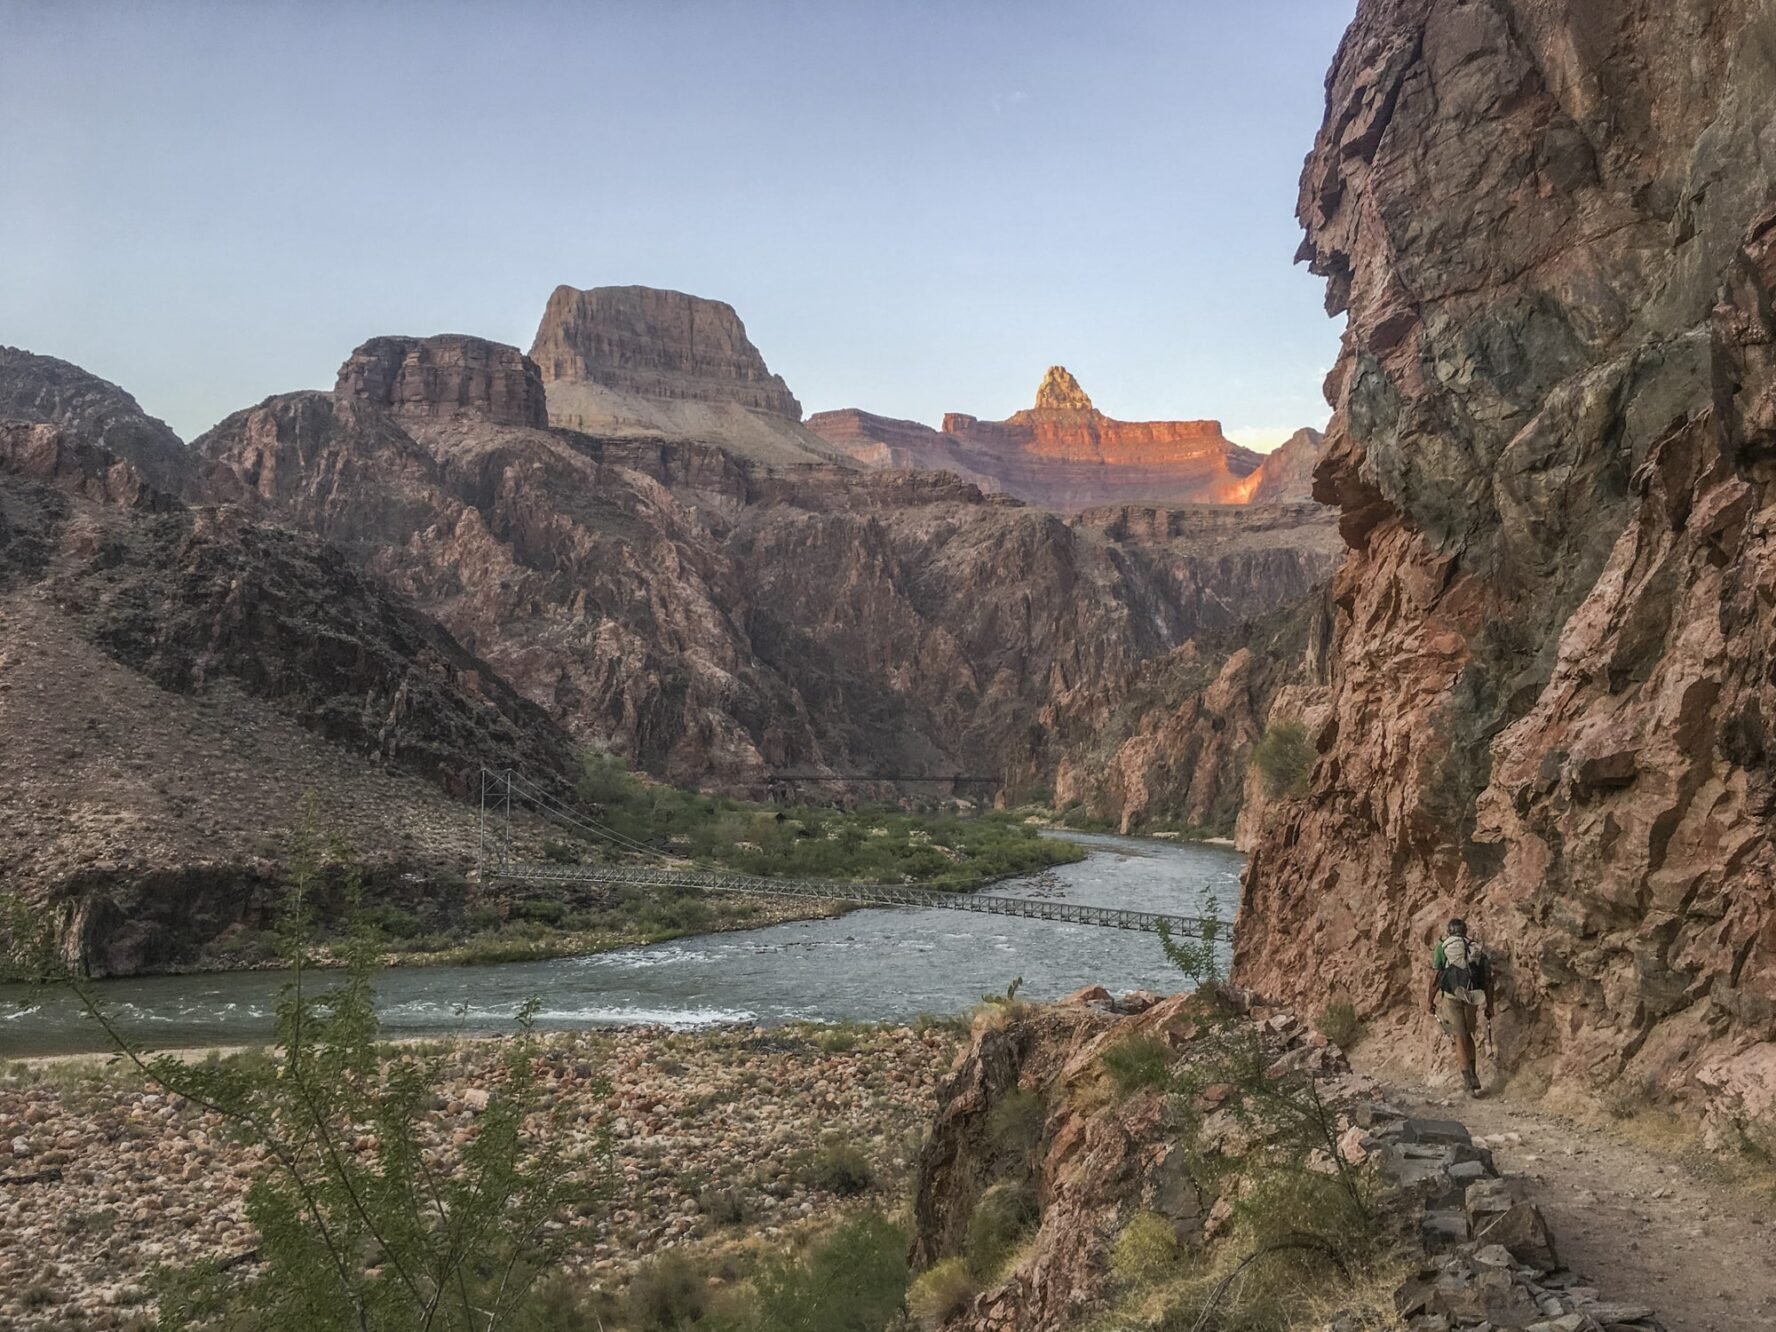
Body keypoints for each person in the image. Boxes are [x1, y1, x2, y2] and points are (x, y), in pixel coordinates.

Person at [1428, 917, 1493, 1096]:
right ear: (1465, 931)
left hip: (1451, 996)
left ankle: (1468, 1082)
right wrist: (1490, 1005)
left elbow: (1437, 977)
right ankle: (1474, 1074)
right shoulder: (1475, 948)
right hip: (1472, 996)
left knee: (1459, 1037)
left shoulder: (1443, 947)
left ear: (1449, 931)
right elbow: (1487, 980)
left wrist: (1429, 1001)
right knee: (1468, 1035)